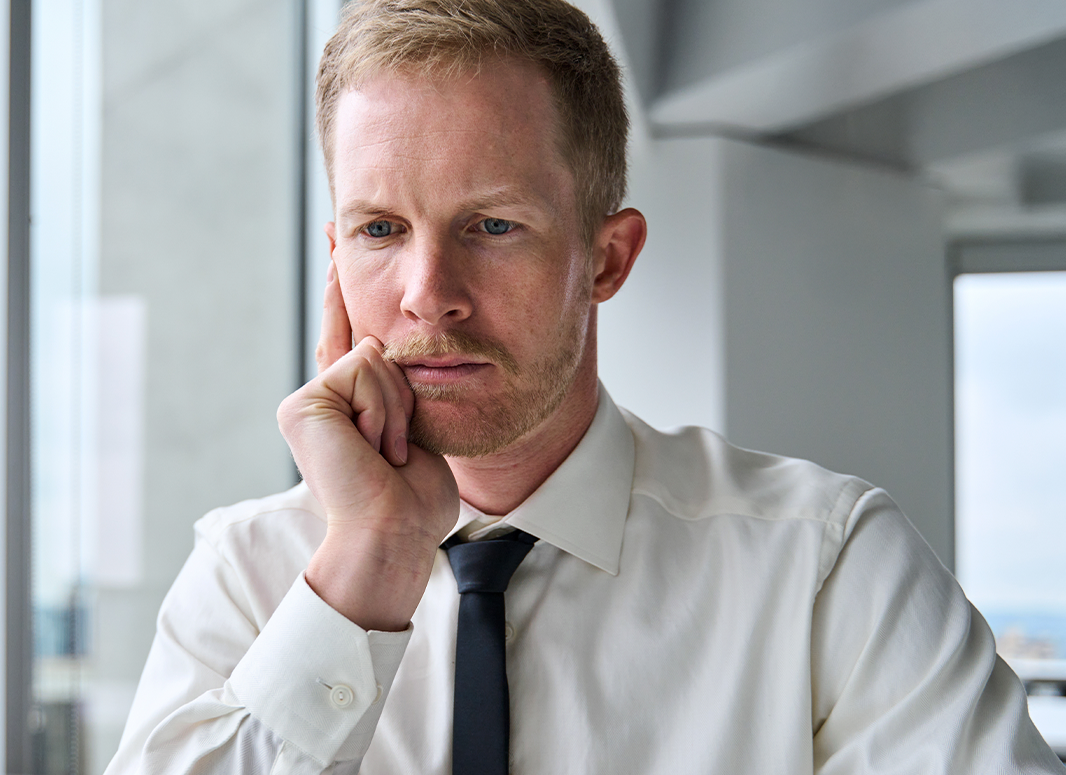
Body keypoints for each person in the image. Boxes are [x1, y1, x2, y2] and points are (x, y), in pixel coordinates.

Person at [105, 0, 1066, 772]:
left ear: (607, 258)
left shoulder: (827, 570)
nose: (428, 297)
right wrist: (371, 562)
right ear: (336, 258)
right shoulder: (245, 572)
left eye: (491, 226)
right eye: (380, 230)